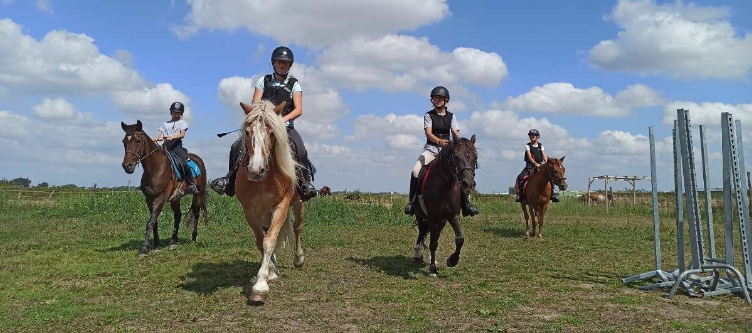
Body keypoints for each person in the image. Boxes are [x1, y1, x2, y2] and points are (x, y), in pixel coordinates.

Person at [210, 46, 317, 200]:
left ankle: (305, 185)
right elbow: (255, 104)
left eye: (286, 63)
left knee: (300, 149)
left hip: (283, 127)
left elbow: (298, 109)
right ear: (273, 63)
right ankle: (230, 181)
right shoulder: (263, 81)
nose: (283, 65)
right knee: (235, 147)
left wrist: (281, 120)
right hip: (261, 127)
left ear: (290, 65)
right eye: (280, 62)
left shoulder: (294, 84)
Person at [404, 86, 479, 217]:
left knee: (458, 173)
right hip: (431, 150)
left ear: (446, 100)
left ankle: (466, 204)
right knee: (415, 171)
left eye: (440, 98)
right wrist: (438, 141)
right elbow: (428, 133)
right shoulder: (429, 115)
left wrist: (458, 144)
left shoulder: (452, 116)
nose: (437, 100)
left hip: (447, 152)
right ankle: (413, 202)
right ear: (432, 100)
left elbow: (455, 133)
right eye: (435, 98)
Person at [153, 101, 198, 194]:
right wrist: (156, 139)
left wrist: (172, 137)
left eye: (177, 112)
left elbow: (182, 134)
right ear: (171, 112)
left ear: (180, 113)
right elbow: (162, 136)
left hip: (176, 147)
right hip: (166, 147)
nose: (175, 114)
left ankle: (191, 184)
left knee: (184, 164)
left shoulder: (182, 123)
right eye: (173, 112)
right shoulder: (165, 124)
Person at [514, 128, 559, 203]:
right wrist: (535, 163)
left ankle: (552, 194)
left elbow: (545, 157)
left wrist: (549, 163)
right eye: (530, 135)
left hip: (540, 165)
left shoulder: (541, 146)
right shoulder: (528, 146)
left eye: (533, 135)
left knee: (550, 177)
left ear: (537, 137)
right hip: (530, 166)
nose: (532, 137)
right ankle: (520, 195)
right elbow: (529, 156)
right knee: (520, 177)